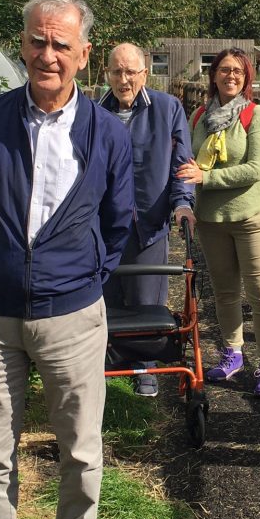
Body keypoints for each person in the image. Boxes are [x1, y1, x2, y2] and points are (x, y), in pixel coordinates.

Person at [0, 0, 134, 519]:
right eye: (37, 41)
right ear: (22, 43)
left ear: (85, 55)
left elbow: (118, 218)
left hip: (72, 313)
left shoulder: (105, 131)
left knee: (80, 438)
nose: (47, 55)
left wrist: (82, 276)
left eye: (61, 44)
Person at [176, 48, 260, 398]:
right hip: (212, 220)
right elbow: (187, 163)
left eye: (237, 70)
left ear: (246, 76)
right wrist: (186, 200)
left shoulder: (257, 115)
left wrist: (206, 178)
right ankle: (233, 353)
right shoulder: (199, 117)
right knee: (224, 292)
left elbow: (257, 168)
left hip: (253, 218)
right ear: (214, 75)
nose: (230, 76)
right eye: (224, 70)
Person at [99, 43, 195, 396]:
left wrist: (183, 203)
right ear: (106, 73)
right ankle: (111, 361)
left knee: (146, 296)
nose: (123, 80)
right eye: (116, 72)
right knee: (107, 296)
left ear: (144, 73)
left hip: (148, 222)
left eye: (130, 72)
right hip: (106, 223)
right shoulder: (96, 112)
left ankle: (145, 368)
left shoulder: (167, 109)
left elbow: (182, 166)